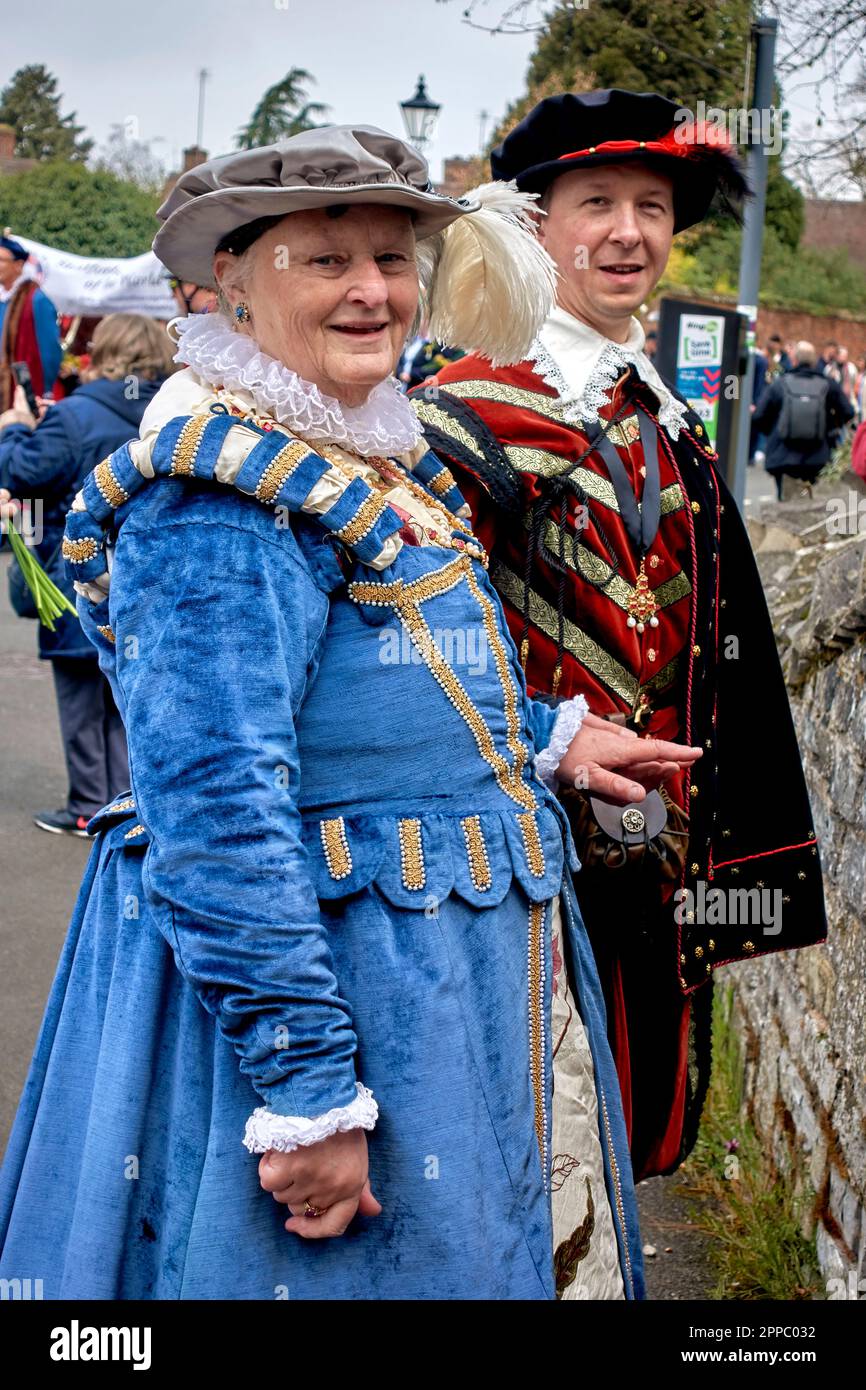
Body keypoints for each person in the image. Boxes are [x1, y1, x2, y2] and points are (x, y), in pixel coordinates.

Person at [0, 125, 705, 1300]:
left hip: (433, 985)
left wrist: (547, 737)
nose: (370, 289)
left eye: (388, 257)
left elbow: (395, 680)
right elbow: (216, 814)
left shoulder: (370, 453)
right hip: (338, 996)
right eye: (324, 260)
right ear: (232, 282)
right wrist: (309, 1094)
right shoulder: (217, 499)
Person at [412, 90, 828, 1184]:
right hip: (512, 852)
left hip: (655, 859)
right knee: (511, 1143)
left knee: (623, 1141)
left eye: (651, 206)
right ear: (534, 225)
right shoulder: (462, 415)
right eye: (595, 202)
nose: (628, 232)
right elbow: (416, 647)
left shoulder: (665, 421)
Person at [0, 314, 174, 833]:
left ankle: (86, 805)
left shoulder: (75, 414)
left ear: (104, 352)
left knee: (80, 695)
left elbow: (21, 473)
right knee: (128, 698)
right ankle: (127, 804)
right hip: (153, 578)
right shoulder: (174, 411)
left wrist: (14, 428)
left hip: (79, 572)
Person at [753, 339, 854, 499]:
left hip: (783, 456)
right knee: (812, 501)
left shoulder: (779, 385)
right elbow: (848, 412)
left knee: (785, 502)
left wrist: (774, 431)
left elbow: (758, 416)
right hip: (817, 456)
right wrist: (830, 429)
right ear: (814, 361)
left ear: (794, 360)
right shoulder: (828, 385)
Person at [0, 235, 62, 413]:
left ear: (18, 265)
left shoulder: (36, 300)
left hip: (22, 387)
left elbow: (49, 352)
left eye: (1, 260)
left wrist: (44, 391)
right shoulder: (3, 298)